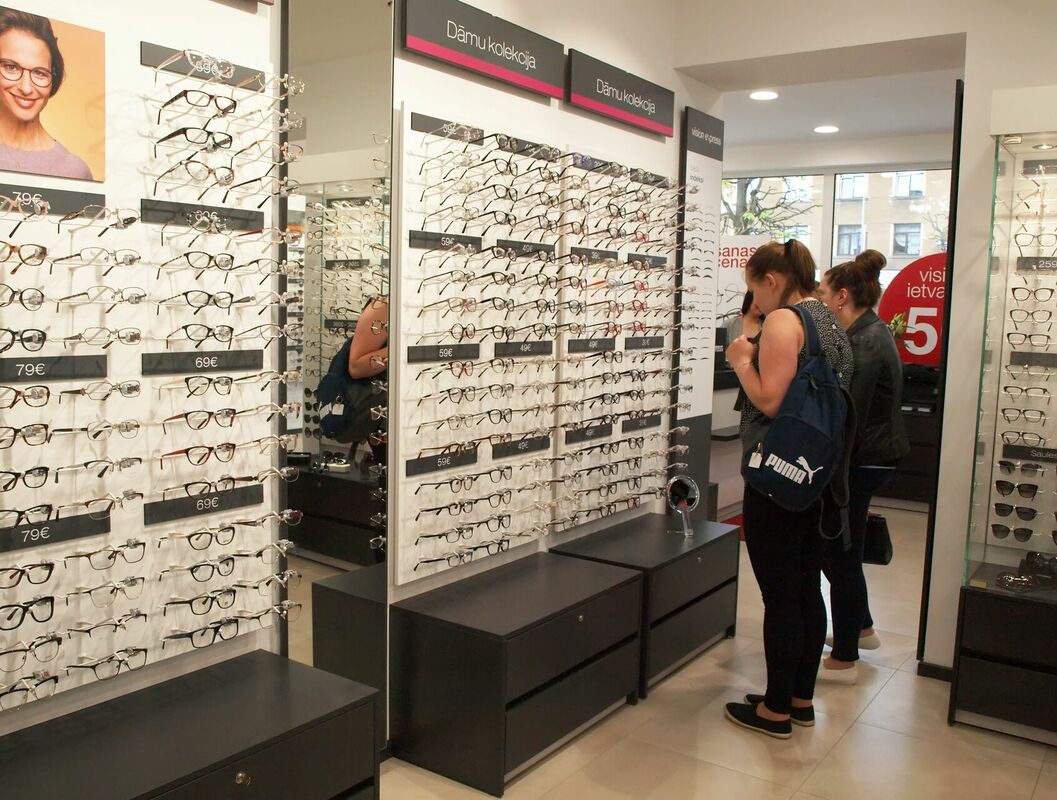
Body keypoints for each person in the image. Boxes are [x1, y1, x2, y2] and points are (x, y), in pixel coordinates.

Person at [723, 239, 853, 739]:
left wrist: (741, 359)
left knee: (779, 596)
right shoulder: (825, 318)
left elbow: (771, 401)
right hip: (816, 473)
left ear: (772, 281)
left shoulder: (783, 320)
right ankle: (799, 699)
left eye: (754, 289)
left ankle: (775, 710)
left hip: (777, 474)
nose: (755, 301)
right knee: (805, 588)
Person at [817, 250, 909, 683]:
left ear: (842, 296)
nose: (820, 300)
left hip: (864, 458)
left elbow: (849, 412)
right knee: (843, 549)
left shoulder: (865, 342)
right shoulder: (869, 332)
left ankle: (846, 656)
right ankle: (862, 627)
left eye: (823, 293)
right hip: (871, 454)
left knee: (841, 551)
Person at [0, 9, 93, 180]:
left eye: (39, 73)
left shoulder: (75, 170)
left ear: (53, 78)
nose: (26, 88)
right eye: (11, 67)